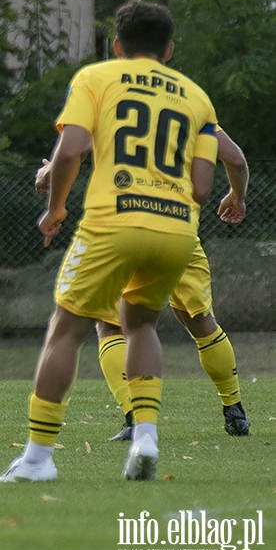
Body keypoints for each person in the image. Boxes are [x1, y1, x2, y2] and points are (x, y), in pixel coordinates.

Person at [0, 0, 219, 483]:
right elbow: (202, 187)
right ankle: (145, 436)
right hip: (177, 228)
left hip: (113, 221)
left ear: (116, 45)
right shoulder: (196, 97)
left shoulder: (98, 77)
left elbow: (71, 148)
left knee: (66, 329)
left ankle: (37, 460)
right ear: (169, 49)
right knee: (141, 325)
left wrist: (54, 208)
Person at [33, 129, 250, 440]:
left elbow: (73, 150)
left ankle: (134, 418)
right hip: (177, 228)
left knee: (111, 326)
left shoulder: (113, 97)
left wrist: (48, 172)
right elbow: (236, 159)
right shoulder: (190, 102)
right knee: (201, 321)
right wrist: (237, 197)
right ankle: (235, 411)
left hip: (124, 227)